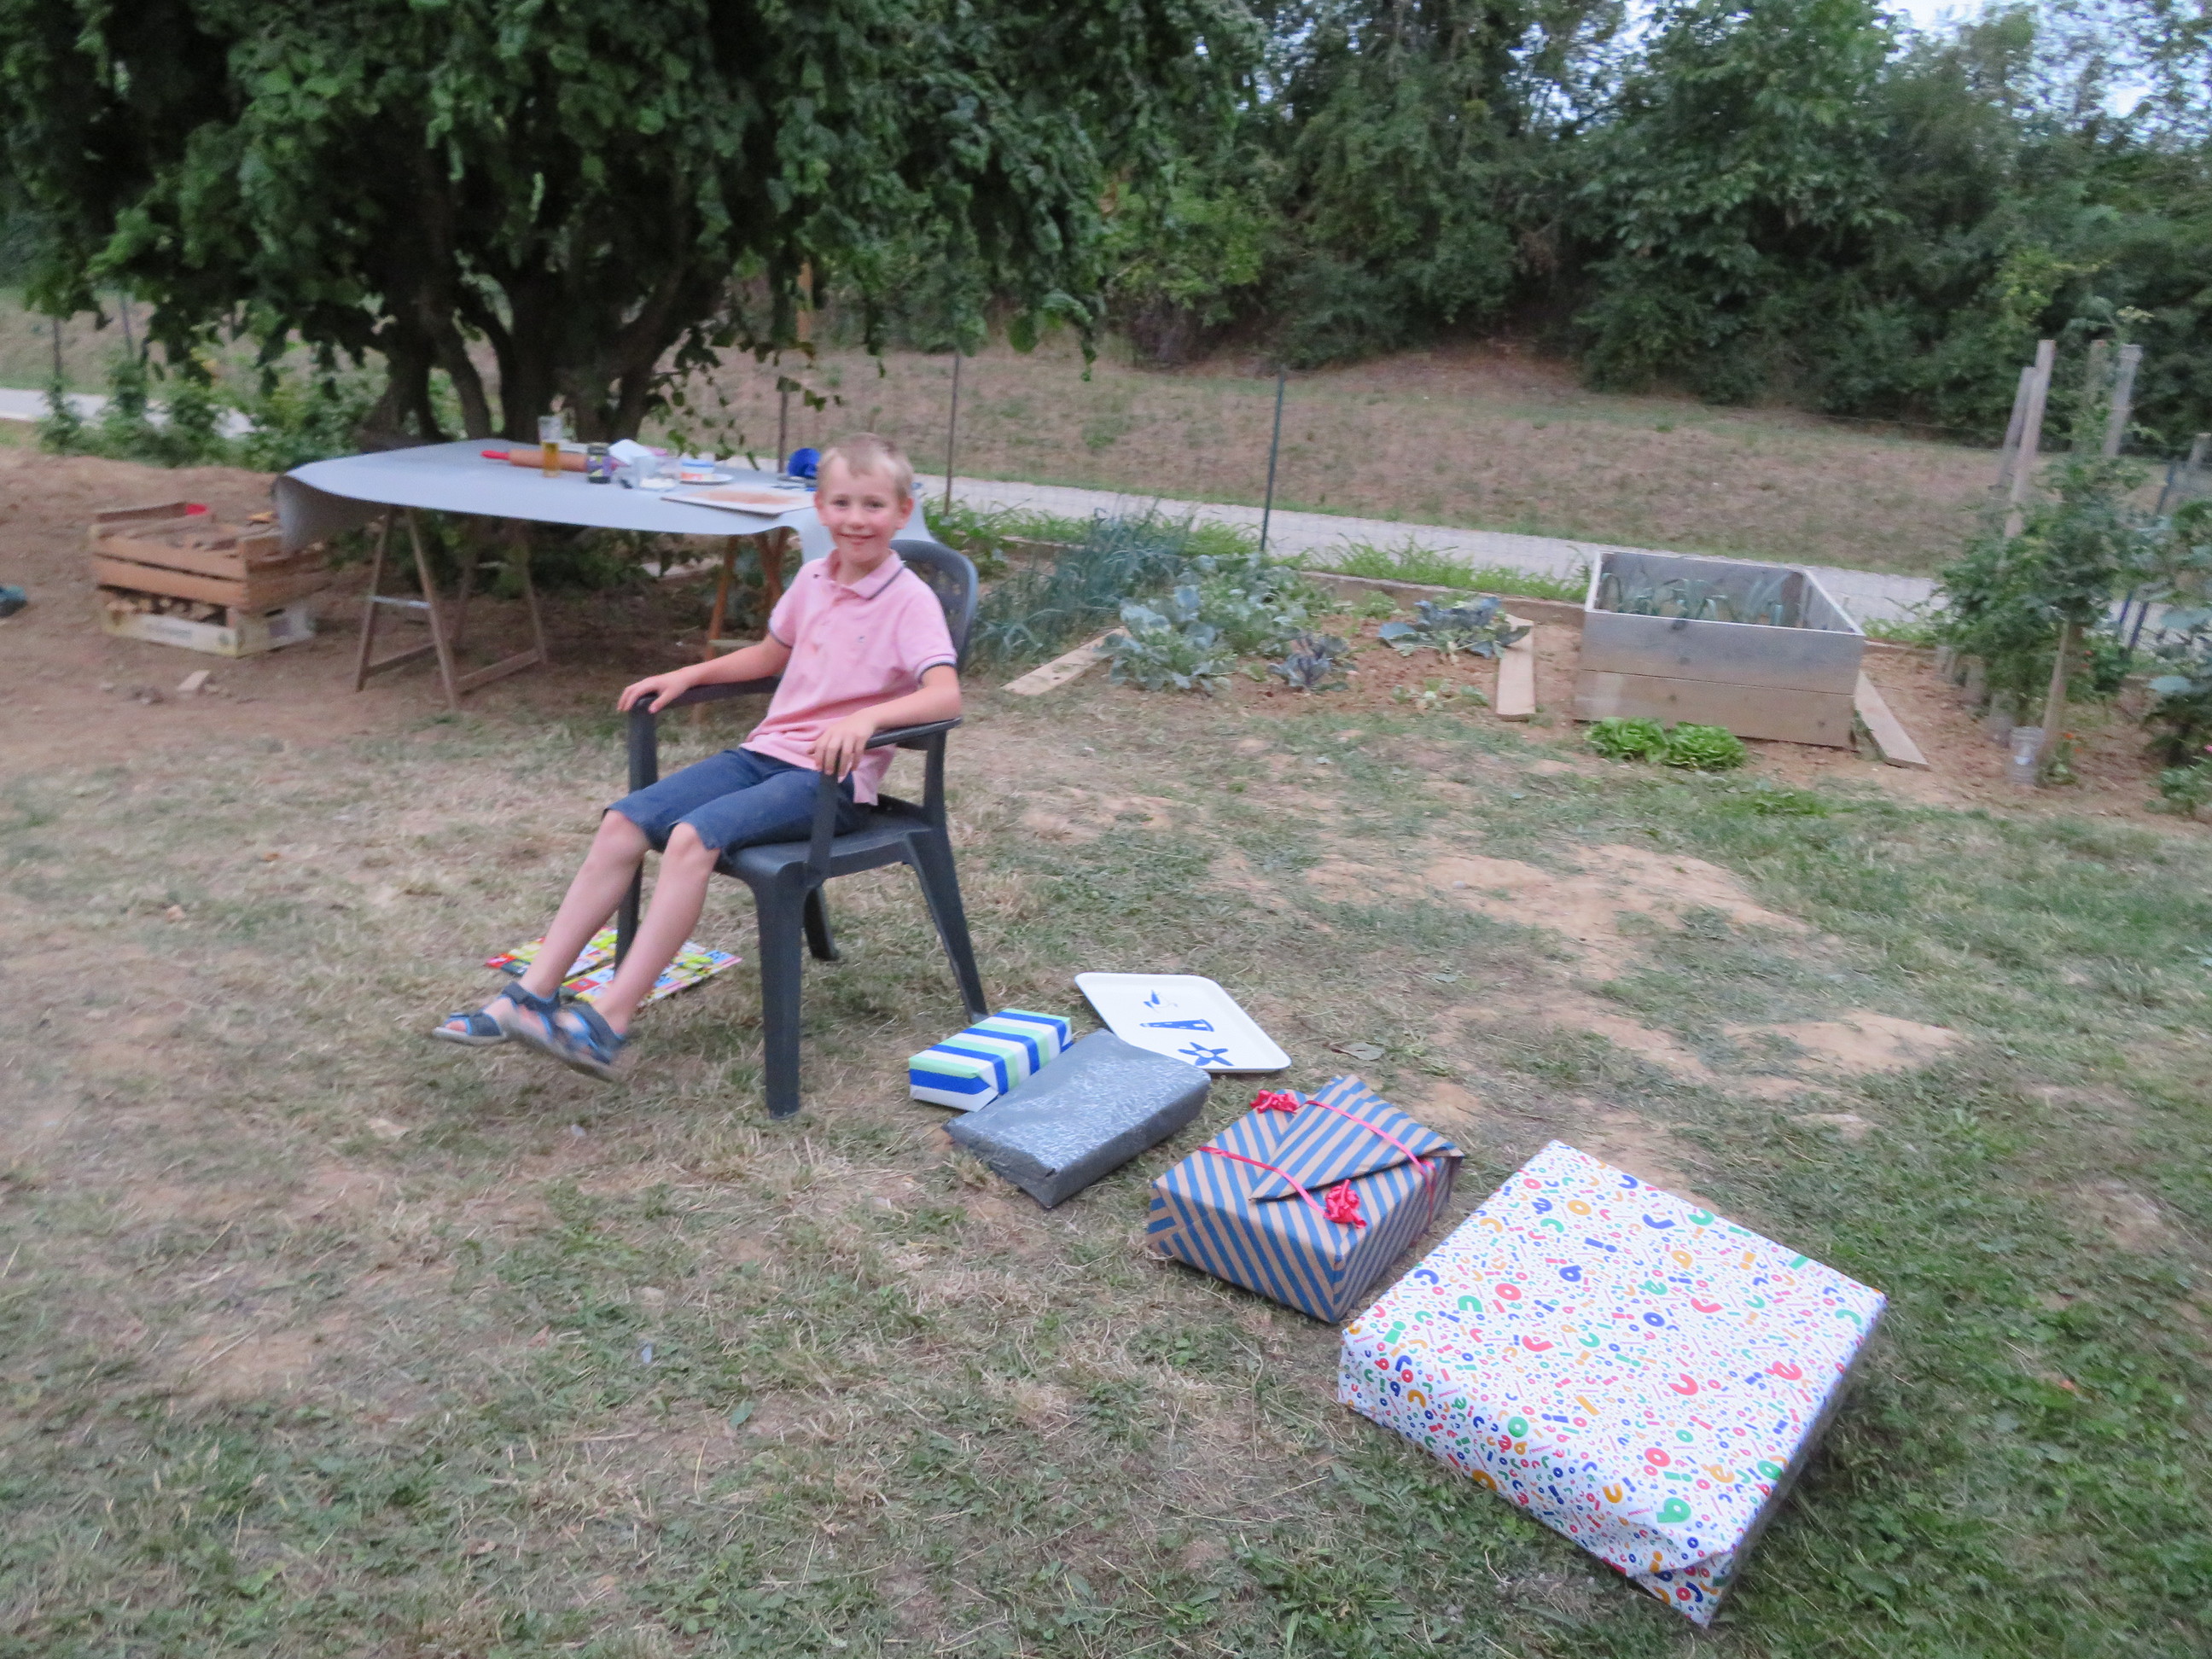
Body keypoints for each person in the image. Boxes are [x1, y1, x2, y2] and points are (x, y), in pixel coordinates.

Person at [430, 433, 960, 1080]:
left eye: (873, 505)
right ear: (820, 508)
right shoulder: (814, 579)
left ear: (902, 513)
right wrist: (689, 674)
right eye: (843, 503)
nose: (856, 519)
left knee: (690, 839)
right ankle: (532, 994)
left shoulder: (910, 600)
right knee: (623, 823)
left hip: (831, 783)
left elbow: (945, 694)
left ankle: (608, 1021)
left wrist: (868, 718)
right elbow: (769, 656)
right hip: (765, 754)